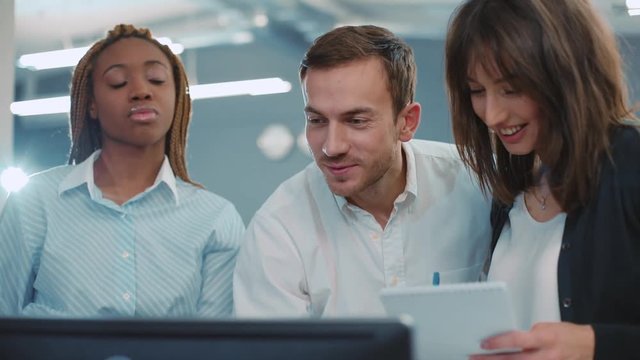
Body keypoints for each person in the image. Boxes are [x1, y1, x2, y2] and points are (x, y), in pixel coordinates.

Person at [233, 25, 492, 317]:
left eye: (356, 121)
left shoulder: (479, 185)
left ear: (406, 122)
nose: (332, 147)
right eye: (317, 120)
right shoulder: (278, 229)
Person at [0, 24, 244, 318]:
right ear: (91, 104)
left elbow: (215, 346)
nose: (141, 91)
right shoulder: (35, 203)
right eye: (117, 82)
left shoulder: (216, 220)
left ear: (177, 96)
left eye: (156, 79)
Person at [445, 1, 640, 358]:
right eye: (476, 90)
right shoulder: (512, 191)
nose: (492, 115)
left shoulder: (630, 164)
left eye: (512, 88)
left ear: (565, 74)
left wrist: (593, 344)